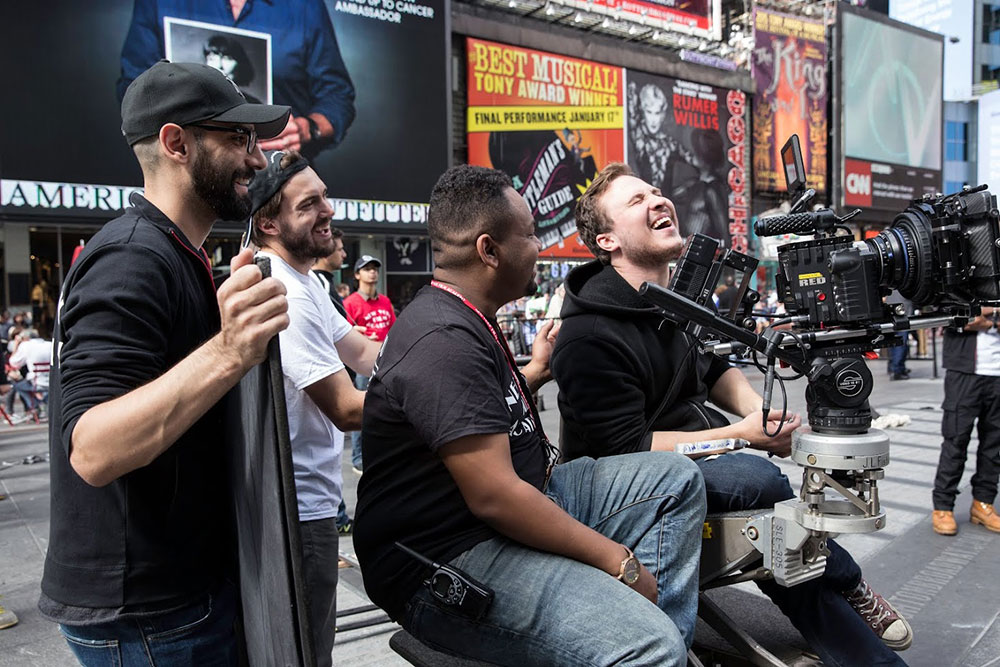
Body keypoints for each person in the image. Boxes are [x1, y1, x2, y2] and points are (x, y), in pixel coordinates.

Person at [551, 163, 913, 665]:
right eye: (636, 201)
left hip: (693, 465)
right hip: (625, 489)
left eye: (656, 191)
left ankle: (858, 623)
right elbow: (625, 448)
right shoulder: (588, 335)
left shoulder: (672, 304)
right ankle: (849, 583)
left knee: (783, 538)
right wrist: (740, 436)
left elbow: (714, 364)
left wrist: (756, 413)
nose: (658, 200)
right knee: (755, 477)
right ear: (607, 240)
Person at [354, 165, 707, 666]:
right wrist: (618, 562)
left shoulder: (468, 314)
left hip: (525, 496)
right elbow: (497, 498)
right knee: (648, 644)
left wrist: (534, 373)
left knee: (675, 479)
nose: (539, 248)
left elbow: (478, 413)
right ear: (488, 250)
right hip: (451, 555)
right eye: (531, 235)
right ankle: (646, 647)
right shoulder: (443, 340)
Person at [39, 60, 291, 664]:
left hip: (174, 601)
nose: (257, 161)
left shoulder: (173, 252)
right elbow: (94, 449)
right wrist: (229, 351)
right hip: (151, 616)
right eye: (237, 139)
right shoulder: (133, 257)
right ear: (177, 142)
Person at [249, 149, 383, 666]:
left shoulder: (309, 283)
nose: (328, 210)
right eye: (309, 204)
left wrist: (437, 349)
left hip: (315, 504)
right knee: (306, 653)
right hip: (297, 513)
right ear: (269, 223)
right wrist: (442, 397)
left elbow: (366, 354)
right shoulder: (285, 291)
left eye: (324, 196)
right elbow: (347, 409)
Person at [117, 0, 355, 158]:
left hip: (274, 176)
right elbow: (134, 89)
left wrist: (306, 128)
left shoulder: (304, 6)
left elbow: (337, 95)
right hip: (185, 174)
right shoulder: (159, 3)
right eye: (213, 56)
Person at [931, 307, 1000, 535]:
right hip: (964, 370)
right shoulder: (961, 276)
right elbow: (953, 314)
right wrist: (994, 317)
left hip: (997, 373)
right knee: (956, 439)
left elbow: (977, 317)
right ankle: (942, 506)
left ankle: (983, 503)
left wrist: (988, 316)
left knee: (994, 443)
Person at [312, 229, 359, 535]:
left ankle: (339, 516)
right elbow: (345, 410)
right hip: (307, 505)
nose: (342, 254)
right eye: (339, 249)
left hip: (339, 379)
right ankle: (339, 518)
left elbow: (358, 347)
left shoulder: (314, 284)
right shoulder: (310, 284)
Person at [343, 255, 396, 473]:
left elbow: (393, 328)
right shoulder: (350, 303)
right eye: (366, 269)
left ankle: (381, 455)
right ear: (357, 275)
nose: (372, 272)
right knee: (362, 409)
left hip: (386, 360)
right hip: (363, 364)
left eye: (374, 268)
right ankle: (358, 457)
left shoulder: (384, 301)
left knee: (386, 408)